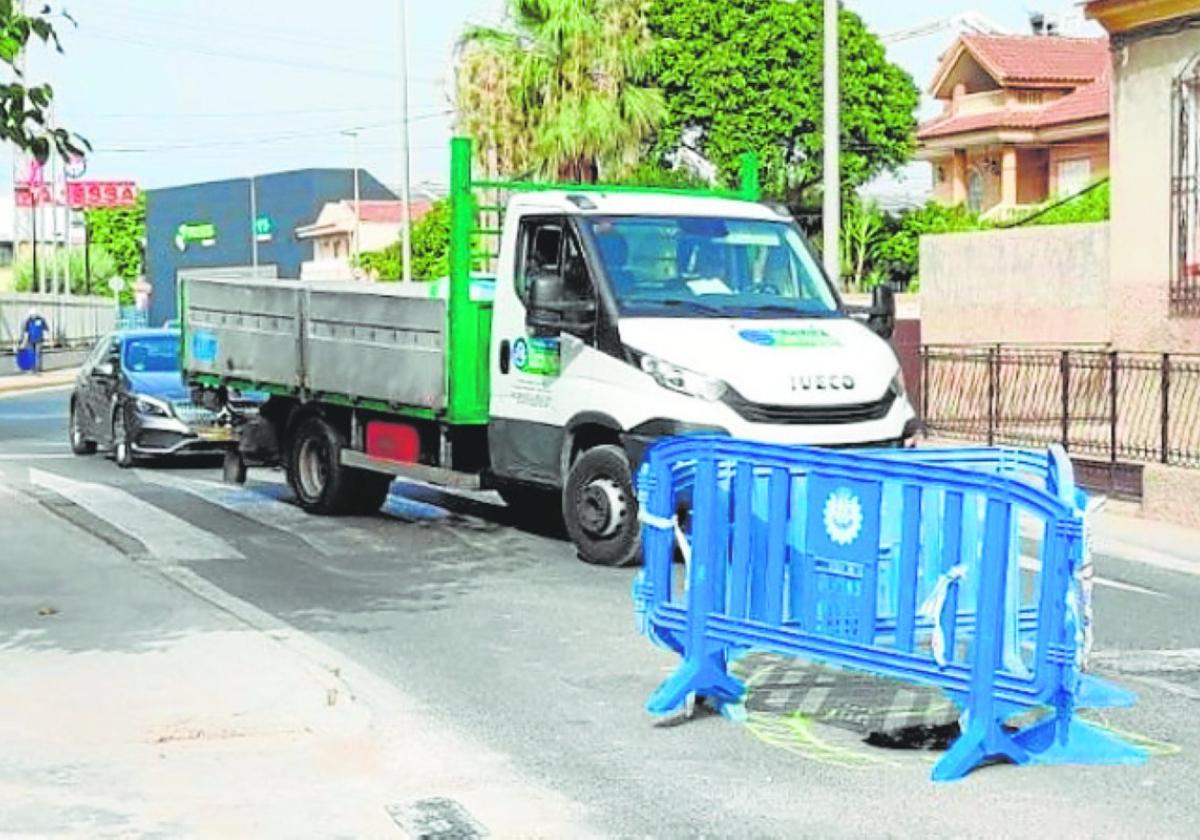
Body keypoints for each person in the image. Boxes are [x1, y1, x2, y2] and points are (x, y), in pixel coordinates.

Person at [20, 310, 49, 374]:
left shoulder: (41, 320)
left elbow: (46, 329)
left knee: (38, 354)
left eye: (34, 315)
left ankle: (38, 369)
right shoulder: (28, 321)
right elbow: (26, 332)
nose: (33, 316)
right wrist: (24, 342)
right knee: (31, 354)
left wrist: (49, 339)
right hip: (30, 340)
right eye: (32, 315)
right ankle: (32, 368)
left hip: (39, 340)